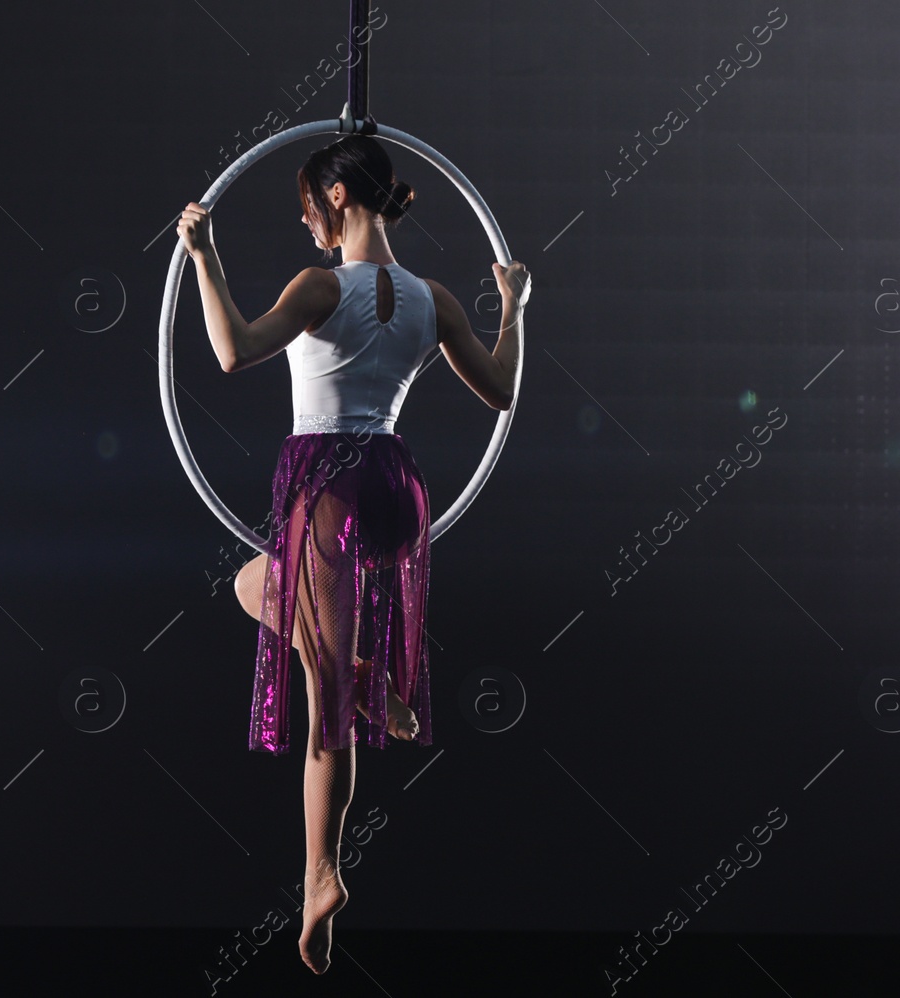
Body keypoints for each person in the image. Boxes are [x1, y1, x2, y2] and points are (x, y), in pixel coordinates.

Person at [177, 133, 530, 975]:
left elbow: (232, 350)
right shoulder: (434, 297)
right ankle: (371, 682)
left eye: (307, 209)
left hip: (325, 484)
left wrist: (203, 256)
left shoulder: (318, 285)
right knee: (258, 587)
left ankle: (321, 874)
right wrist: (515, 306)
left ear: (336, 199)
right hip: (396, 491)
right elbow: (501, 391)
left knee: (322, 697)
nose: (305, 226)